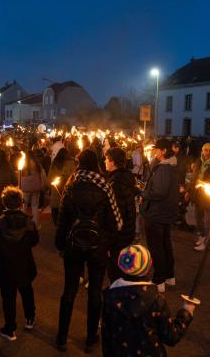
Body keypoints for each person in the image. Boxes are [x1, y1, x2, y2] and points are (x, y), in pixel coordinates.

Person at [55, 149, 123, 353]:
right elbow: (115, 222)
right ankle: (91, 338)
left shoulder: (71, 185)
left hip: (73, 246)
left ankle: (62, 337)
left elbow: (62, 221)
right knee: (95, 292)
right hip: (98, 247)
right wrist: (108, 244)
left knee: (69, 291)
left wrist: (60, 245)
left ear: (80, 164)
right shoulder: (105, 187)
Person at [101, 245, 195, 356]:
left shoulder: (110, 296)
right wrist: (186, 313)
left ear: (120, 265)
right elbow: (171, 337)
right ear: (150, 265)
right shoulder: (156, 301)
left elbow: (106, 333)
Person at [0, 186, 39, 341]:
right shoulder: (29, 223)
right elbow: (34, 241)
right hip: (24, 263)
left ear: (4, 203)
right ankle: (30, 318)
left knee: (8, 297)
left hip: (5, 266)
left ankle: (10, 329)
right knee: (26, 291)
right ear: (21, 203)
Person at [141, 138, 180, 291]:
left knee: (156, 246)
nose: (155, 151)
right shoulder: (170, 166)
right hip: (164, 212)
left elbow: (159, 192)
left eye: (157, 149)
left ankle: (159, 280)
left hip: (156, 213)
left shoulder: (164, 169)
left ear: (164, 151)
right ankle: (169, 276)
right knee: (165, 245)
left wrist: (143, 193)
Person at [104, 147, 138, 283]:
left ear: (113, 162)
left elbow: (116, 212)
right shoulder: (126, 177)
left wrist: (109, 237)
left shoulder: (116, 183)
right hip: (128, 230)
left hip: (119, 233)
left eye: (106, 159)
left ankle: (118, 296)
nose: (105, 161)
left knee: (116, 269)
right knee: (123, 264)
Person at [47, 148, 75, 225]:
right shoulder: (72, 164)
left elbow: (49, 180)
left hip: (56, 196)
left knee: (57, 222)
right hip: (68, 196)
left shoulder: (54, 164)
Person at [20, 151, 46, 226]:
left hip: (25, 188)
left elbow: (19, 176)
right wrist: (43, 186)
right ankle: (35, 224)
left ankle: (22, 223)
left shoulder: (23, 165)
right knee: (35, 206)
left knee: (24, 206)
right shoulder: (37, 165)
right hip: (36, 187)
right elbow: (42, 175)